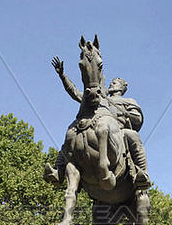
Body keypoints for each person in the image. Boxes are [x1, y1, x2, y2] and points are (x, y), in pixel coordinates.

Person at [49, 57, 150, 189]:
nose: (111, 84)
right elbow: (75, 93)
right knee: (73, 134)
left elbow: (138, 119)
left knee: (132, 135)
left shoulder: (128, 101)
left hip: (118, 132)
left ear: (122, 87)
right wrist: (62, 76)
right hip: (95, 127)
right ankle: (59, 170)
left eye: (115, 83)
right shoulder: (100, 98)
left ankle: (142, 173)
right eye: (111, 82)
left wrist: (126, 114)